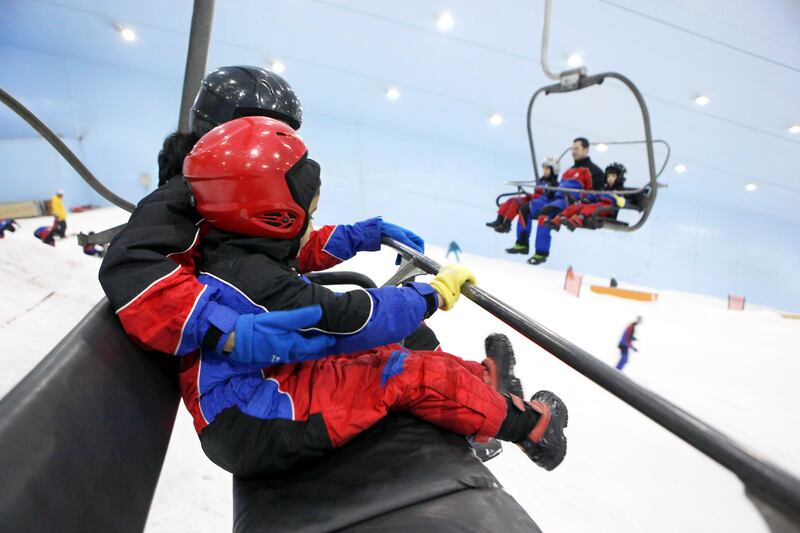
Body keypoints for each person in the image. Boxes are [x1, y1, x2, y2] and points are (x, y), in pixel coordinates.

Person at [178, 116, 569, 476]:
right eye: (307, 216)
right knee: (406, 372)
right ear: (276, 217)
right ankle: (532, 430)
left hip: (258, 385)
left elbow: (302, 248)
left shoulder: (234, 249)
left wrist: (371, 232)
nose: (312, 226)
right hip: (257, 416)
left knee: (394, 351)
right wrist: (431, 295)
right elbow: (345, 320)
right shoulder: (253, 280)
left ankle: (484, 388)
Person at [99, 65, 428, 362]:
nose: (273, 142)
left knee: (408, 340)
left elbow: (277, 244)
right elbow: (132, 267)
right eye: (264, 128)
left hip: (267, 315)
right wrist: (224, 331)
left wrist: (358, 235)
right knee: (401, 351)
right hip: (243, 361)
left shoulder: (232, 188)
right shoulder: (187, 195)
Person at [526, 167, 593, 265]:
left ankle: (541, 252)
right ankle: (540, 251)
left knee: (545, 213)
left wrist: (583, 198)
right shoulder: (567, 173)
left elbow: (589, 190)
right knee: (543, 215)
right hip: (558, 199)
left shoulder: (585, 172)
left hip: (568, 200)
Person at [487, 158, 560, 235]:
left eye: (547, 169)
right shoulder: (541, 180)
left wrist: (550, 192)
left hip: (539, 203)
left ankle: (507, 223)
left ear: (553, 170)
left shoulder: (554, 184)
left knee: (516, 202)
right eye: (544, 168)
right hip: (533, 198)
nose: (545, 171)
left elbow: (551, 197)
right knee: (511, 200)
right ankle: (499, 219)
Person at [552, 162, 628, 231]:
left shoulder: (619, 192)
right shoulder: (604, 189)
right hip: (597, 206)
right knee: (577, 206)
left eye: (613, 176)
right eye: (608, 176)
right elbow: (595, 194)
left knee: (590, 208)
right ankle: (560, 218)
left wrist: (621, 200)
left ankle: (579, 219)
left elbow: (624, 201)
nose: (610, 179)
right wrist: (587, 198)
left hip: (606, 209)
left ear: (619, 178)